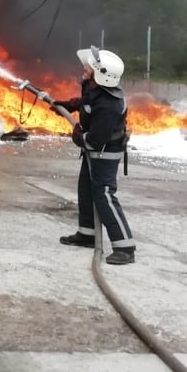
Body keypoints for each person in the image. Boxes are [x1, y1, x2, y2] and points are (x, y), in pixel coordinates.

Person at [52, 46, 136, 265]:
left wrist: (78, 135)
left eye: (88, 68)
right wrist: (70, 105)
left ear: (100, 75)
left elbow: (94, 140)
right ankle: (87, 234)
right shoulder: (95, 88)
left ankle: (125, 247)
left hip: (104, 154)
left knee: (104, 195)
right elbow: (89, 102)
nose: (85, 70)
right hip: (94, 153)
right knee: (86, 190)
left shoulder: (110, 104)